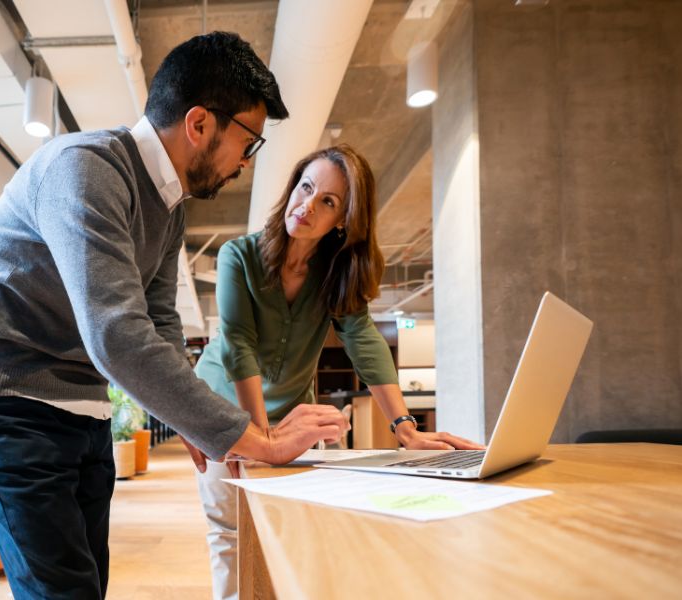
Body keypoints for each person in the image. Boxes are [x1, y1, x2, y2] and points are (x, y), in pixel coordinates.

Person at [0, 31, 347, 600]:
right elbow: (116, 333)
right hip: (4, 402)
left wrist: (189, 417)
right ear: (200, 124)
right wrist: (257, 440)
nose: (245, 164)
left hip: (80, 411)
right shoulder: (84, 168)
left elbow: (158, 323)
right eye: (248, 142)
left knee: (88, 587)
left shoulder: (168, 203)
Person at [186, 144, 484, 600]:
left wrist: (405, 429)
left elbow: (363, 339)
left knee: (295, 527)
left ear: (343, 220)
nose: (307, 205)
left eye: (328, 201)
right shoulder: (237, 256)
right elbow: (238, 345)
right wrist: (262, 438)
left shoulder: (334, 272)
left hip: (290, 415)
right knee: (230, 528)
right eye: (306, 187)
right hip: (224, 411)